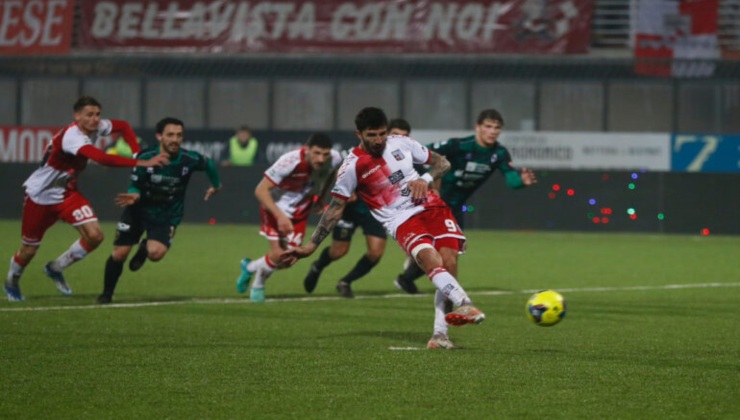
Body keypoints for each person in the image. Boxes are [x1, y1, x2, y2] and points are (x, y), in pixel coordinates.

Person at [281, 107, 485, 350]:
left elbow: (443, 163)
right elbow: (335, 208)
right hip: (401, 220)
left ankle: (440, 336)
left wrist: (425, 179)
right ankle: (465, 301)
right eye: (372, 135)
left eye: (382, 134)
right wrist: (311, 246)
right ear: (359, 134)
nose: (378, 141)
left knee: (449, 262)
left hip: (433, 208)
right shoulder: (352, 166)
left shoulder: (401, 143)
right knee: (429, 259)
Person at [3, 96, 169, 302]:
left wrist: (137, 151)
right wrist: (141, 162)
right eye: (89, 115)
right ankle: (11, 282)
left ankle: (55, 268)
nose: (95, 119)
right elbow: (102, 158)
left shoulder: (96, 127)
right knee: (28, 250)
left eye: (97, 114)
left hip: (66, 194)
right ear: (77, 116)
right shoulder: (72, 136)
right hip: (40, 196)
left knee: (95, 236)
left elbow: (124, 126)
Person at [393, 108, 537, 294]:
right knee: (449, 253)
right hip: (432, 204)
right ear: (478, 127)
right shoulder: (459, 145)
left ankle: (407, 277)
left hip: (454, 208)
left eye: (497, 128)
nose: (493, 131)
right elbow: (422, 153)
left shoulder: (499, 153)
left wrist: (522, 182)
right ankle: (454, 300)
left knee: (447, 253)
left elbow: (512, 180)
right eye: (488, 126)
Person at [97, 117, 222, 304]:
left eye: (179, 135)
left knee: (155, 254)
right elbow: (134, 185)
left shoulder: (189, 159)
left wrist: (216, 185)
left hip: (167, 214)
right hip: (138, 211)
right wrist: (134, 194)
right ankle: (106, 294)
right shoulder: (146, 158)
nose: (175, 139)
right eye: (170, 135)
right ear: (159, 137)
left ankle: (144, 248)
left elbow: (209, 163)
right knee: (120, 253)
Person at [302, 118, 412, 298]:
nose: (400, 139)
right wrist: (348, 187)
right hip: (350, 207)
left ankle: (345, 281)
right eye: (396, 135)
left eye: (404, 136)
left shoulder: (403, 157)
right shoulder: (360, 150)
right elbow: (339, 169)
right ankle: (318, 266)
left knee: (376, 253)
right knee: (339, 251)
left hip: (374, 210)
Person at [235, 133, 342, 302]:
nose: (321, 159)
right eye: (316, 153)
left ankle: (249, 267)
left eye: (325, 154)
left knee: (288, 259)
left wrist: (321, 197)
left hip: (300, 211)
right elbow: (261, 190)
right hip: (274, 208)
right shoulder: (290, 161)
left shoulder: (335, 158)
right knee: (278, 255)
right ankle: (258, 285)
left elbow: (330, 174)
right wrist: (280, 216)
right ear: (306, 150)